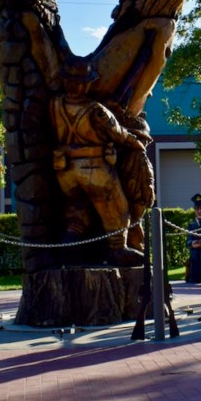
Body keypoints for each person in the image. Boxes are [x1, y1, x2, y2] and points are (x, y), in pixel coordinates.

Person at [50, 59, 148, 267]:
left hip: (65, 170)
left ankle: (70, 248)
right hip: (94, 168)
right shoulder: (96, 110)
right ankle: (118, 250)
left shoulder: (54, 105)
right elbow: (118, 133)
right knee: (117, 209)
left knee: (77, 208)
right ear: (87, 84)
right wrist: (136, 142)